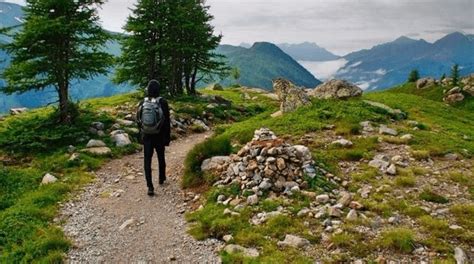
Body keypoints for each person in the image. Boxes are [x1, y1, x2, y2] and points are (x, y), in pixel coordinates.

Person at [136, 80, 171, 196]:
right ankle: (161, 178)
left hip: (147, 136)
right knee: (161, 157)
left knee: (147, 160)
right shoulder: (163, 102)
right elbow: (167, 122)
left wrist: (141, 134)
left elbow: (138, 119)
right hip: (159, 135)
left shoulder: (143, 102)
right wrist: (167, 138)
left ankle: (150, 186)